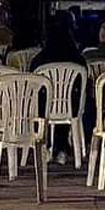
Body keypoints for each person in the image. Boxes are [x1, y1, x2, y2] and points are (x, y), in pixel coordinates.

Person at [31, 13, 87, 165]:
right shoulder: (78, 59)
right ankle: (62, 148)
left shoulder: (39, 60)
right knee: (70, 102)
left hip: (44, 108)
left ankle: (47, 146)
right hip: (70, 108)